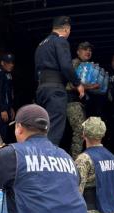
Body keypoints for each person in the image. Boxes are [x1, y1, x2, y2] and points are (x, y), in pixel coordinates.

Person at [34, 15, 85, 146]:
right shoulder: (61, 41)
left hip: (42, 89)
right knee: (54, 129)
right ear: (67, 29)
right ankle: (49, 161)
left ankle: (39, 159)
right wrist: (77, 83)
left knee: (42, 127)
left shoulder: (41, 44)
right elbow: (66, 66)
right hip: (55, 90)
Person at [66, 41, 100, 158]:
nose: (88, 52)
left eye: (90, 50)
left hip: (78, 103)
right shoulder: (76, 63)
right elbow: (72, 84)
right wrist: (91, 86)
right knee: (80, 131)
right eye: (85, 49)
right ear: (78, 52)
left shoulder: (86, 67)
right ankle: (75, 161)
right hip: (72, 102)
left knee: (79, 132)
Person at [0, 54, 15, 142]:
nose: (11, 65)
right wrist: (2, 109)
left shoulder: (8, 75)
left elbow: (8, 93)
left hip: (6, 110)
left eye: (12, 63)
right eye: (8, 63)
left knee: (4, 136)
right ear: (2, 63)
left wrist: (11, 107)